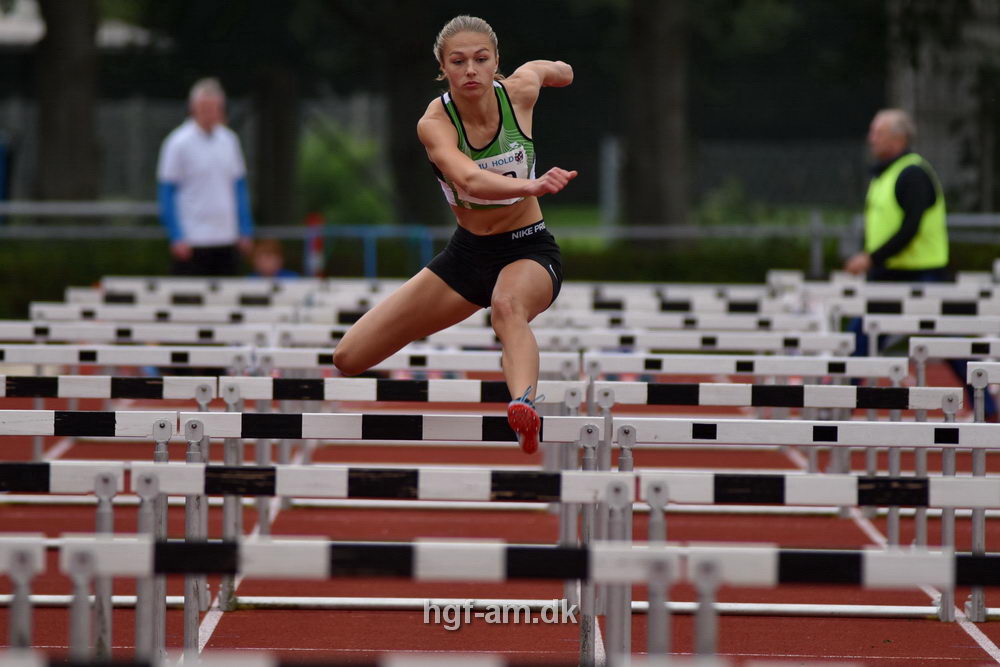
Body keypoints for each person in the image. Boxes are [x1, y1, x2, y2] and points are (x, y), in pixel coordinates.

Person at [332, 15, 576, 454]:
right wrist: (531, 185)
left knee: (507, 307)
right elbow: (470, 181)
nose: (470, 70)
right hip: (466, 257)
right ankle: (519, 397)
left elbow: (552, 70)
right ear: (443, 69)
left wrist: (556, 71)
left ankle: (523, 404)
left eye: (481, 59)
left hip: (529, 249)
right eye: (458, 61)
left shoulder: (519, 93)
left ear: (496, 62)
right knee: (348, 358)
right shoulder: (435, 123)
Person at [844, 109, 994, 417]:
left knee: (951, 344)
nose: (871, 139)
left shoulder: (913, 174)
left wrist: (871, 257)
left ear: (898, 138)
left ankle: (988, 406)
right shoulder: (884, 175)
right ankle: (836, 404)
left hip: (923, 276)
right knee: (861, 338)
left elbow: (910, 227)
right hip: (889, 275)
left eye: (878, 132)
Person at [157, 78, 254, 276]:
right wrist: (176, 235)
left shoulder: (229, 140)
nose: (210, 112)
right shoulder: (178, 143)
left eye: (214, 107)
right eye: (204, 107)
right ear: (193, 108)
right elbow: (166, 192)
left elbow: (238, 187)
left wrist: (245, 229)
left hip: (226, 237)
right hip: (193, 239)